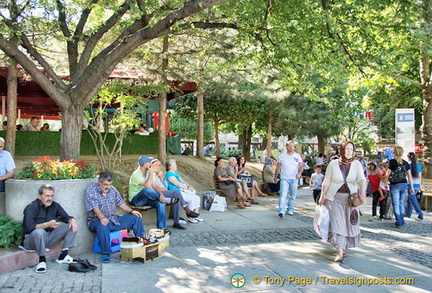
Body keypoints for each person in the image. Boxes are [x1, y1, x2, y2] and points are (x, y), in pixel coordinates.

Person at [319, 141, 366, 262]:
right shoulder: (333, 164)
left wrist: (363, 191)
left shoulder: (356, 164)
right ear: (342, 150)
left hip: (351, 199)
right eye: (347, 149)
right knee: (337, 224)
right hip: (334, 198)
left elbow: (361, 179)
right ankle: (339, 252)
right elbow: (327, 181)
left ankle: (343, 246)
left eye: (351, 149)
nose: (349, 151)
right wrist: (322, 195)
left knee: (348, 224)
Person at [86, 171, 145, 263]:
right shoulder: (91, 190)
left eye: (109, 184)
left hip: (113, 219)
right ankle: (106, 253)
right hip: (96, 221)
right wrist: (102, 218)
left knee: (135, 218)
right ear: (99, 182)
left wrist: (132, 211)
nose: (107, 187)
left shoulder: (112, 189)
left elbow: (121, 204)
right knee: (103, 226)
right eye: (105, 184)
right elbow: (95, 208)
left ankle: (142, 243)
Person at [23, 184, 78, 273]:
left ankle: (63, 255)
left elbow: (66, 217)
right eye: (47, 196)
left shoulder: (55, 206)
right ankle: (42, 260)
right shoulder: (31, 207)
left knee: (71, 225)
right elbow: (29, 228)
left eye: (51, 196)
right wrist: (47, 224)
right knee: (39, 231)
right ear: (40, 196)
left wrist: (72, 220)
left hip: (47, 238)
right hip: (31, 240)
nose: (50, 198)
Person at [128, 156, 188, 231]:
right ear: (145, 164)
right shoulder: (136, 174)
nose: (151, 164)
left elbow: (155, 186)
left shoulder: (147, 173)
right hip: (136, 199)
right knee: (146, 190)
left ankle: (162, 228)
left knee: (161, 204)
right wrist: (150, 173)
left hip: (146, 198)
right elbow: (148, 185)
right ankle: (164, 199)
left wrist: (161, 195)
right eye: (149, 162)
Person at [151, 158, 197, 228]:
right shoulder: (151, 174)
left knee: (177, 196)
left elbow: (165, 185)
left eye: (159, 165)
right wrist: (163, 189)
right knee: (177, 193)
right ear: (151, 166)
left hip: (164, 192)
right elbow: (154, 187)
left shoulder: (158, 175)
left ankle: (176, 222)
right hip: (157, 193)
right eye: (156, 165)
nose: (158, 167)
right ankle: (187, 211)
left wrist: (162, 178)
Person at [165, 159, 204, 223]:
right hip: (177, 192)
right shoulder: (169, 174)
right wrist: (187, 188)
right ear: (169, 166)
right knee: (192, 199)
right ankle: (190, 217)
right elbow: (177, 183)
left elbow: (183, 182)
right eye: (174, 164)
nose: (176, 165)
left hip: (182, 191)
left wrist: (189, 186)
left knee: (197, 197)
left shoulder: (176, 174)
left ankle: (195, 215)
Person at [274, 141, 304, 217]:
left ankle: (290, 209)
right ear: (286, 147)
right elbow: (278, 167)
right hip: (284, 178)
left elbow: (301, 166)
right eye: (289, 146)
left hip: (294, 178)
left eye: (292, 146)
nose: (291, 148)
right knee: (283, 194)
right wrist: (275, 176)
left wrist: (299, 173)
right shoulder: (282, 156)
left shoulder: (297, 156)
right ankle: (281, 210)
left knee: (292, 195)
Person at [388, 146, 414, 228]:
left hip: (394, 184)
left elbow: (388, 173)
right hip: (404, 184)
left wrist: (385, 181)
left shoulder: (392, 162)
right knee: (401, 203)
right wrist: (412, 187)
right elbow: (409, 176)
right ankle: (402, 220)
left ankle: (398, 221)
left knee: (395, 203)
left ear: (394, 153)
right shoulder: (406, 163)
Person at [406, 152, 424, 221]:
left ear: (409, 158)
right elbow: (420, 177)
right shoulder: (419, 166)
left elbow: (409, 177)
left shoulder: (409, 166)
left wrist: (411, 186)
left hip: (411, 184)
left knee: (413, 200)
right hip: (417, 184)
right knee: (410, 199)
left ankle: (420, 214)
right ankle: (408, 213)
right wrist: (420, 185)